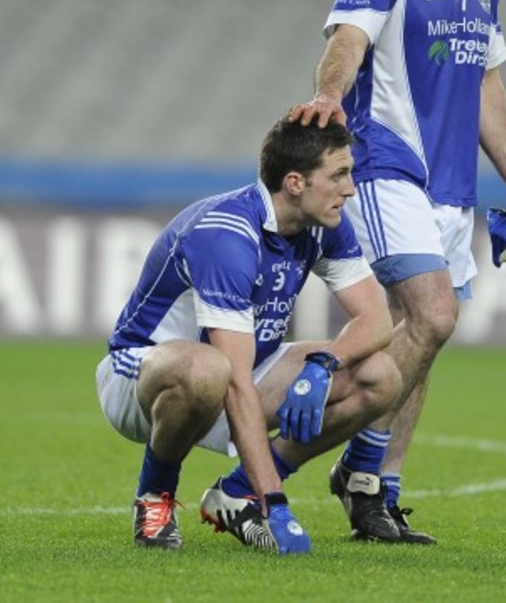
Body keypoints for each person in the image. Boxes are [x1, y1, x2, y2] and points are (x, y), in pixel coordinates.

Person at [289, 0, 506, 544]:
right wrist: (330, 94)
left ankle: (375, 487)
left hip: (453, 187)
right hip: (387, 165)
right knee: (431, 316)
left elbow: (486, 82)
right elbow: (348, 41)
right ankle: (286, 464)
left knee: (422, 338)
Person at [95, 115, 401, 554]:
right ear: (294, 183)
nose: (350, 188)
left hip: (240, 369)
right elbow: (234, 381)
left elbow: (376, 320)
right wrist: (275, 504)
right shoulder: (226, 234)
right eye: (338, 175)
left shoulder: (324, 224)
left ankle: (235, 494)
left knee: (378, 374)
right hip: (141, 377)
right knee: (207, 369)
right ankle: (155, 495)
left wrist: (324, 364)